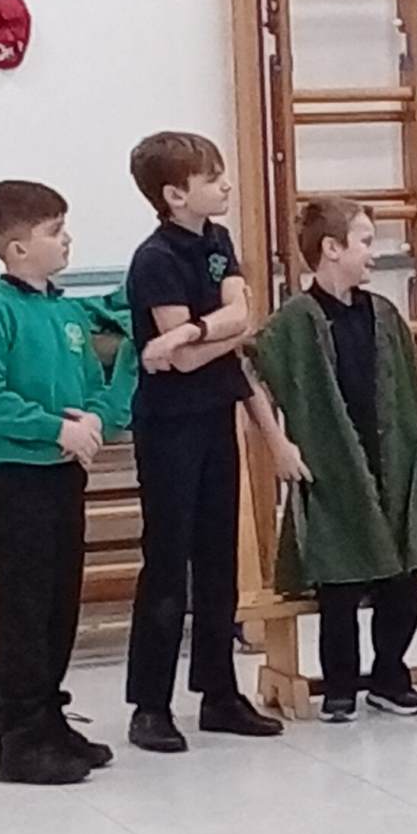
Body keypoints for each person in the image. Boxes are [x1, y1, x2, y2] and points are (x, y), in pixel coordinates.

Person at [0, 181, 135, 784]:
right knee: (22, 607)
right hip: (12, 477)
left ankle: (50, 718)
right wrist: (53, 429)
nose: (66, 240)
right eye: (54, 232)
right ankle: (19, 738)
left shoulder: (66, 312)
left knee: (60, 601)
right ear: (16, 249)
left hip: (62, 476)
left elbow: (90, 384)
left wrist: (94, 419)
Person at [245, 198, 417, 724]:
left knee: (405, 579)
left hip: (391, 464)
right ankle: (340, 684)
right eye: (366, 242)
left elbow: (407, 387)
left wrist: (415, 447)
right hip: (332, 471)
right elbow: (248, 371)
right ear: (332, 248)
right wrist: (278, 444)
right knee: (340, 583)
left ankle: (389, 675)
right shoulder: (293, 320)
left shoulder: (384, 314)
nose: (374, 253)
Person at [123, 132, 283, 752]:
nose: (225, 184)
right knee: (169, 563)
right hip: (170, 425)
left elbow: (243, 318)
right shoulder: (155, 258)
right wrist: (217, 334)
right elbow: (188, 361)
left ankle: (219, 692)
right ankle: (150, 704)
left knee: (219, 559)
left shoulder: (217, 240)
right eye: (211, 178)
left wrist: (192, 332)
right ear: (174, 194)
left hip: (216, 416)